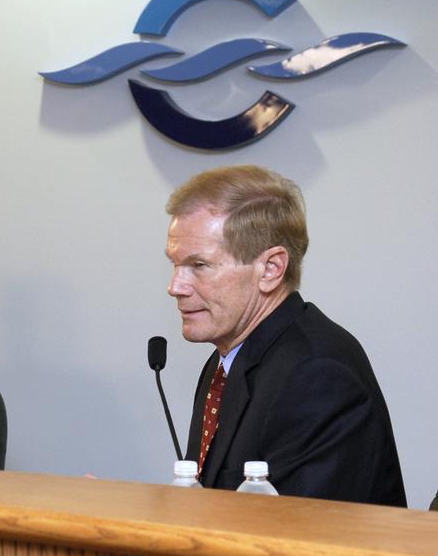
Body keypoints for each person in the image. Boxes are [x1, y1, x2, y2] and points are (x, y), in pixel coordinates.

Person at [164, 165, 405, 506]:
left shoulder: (317, 373)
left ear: (271, 269)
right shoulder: (230, 359)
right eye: (175, 265)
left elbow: (300, 543)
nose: (175, 287)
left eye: (199, 265)